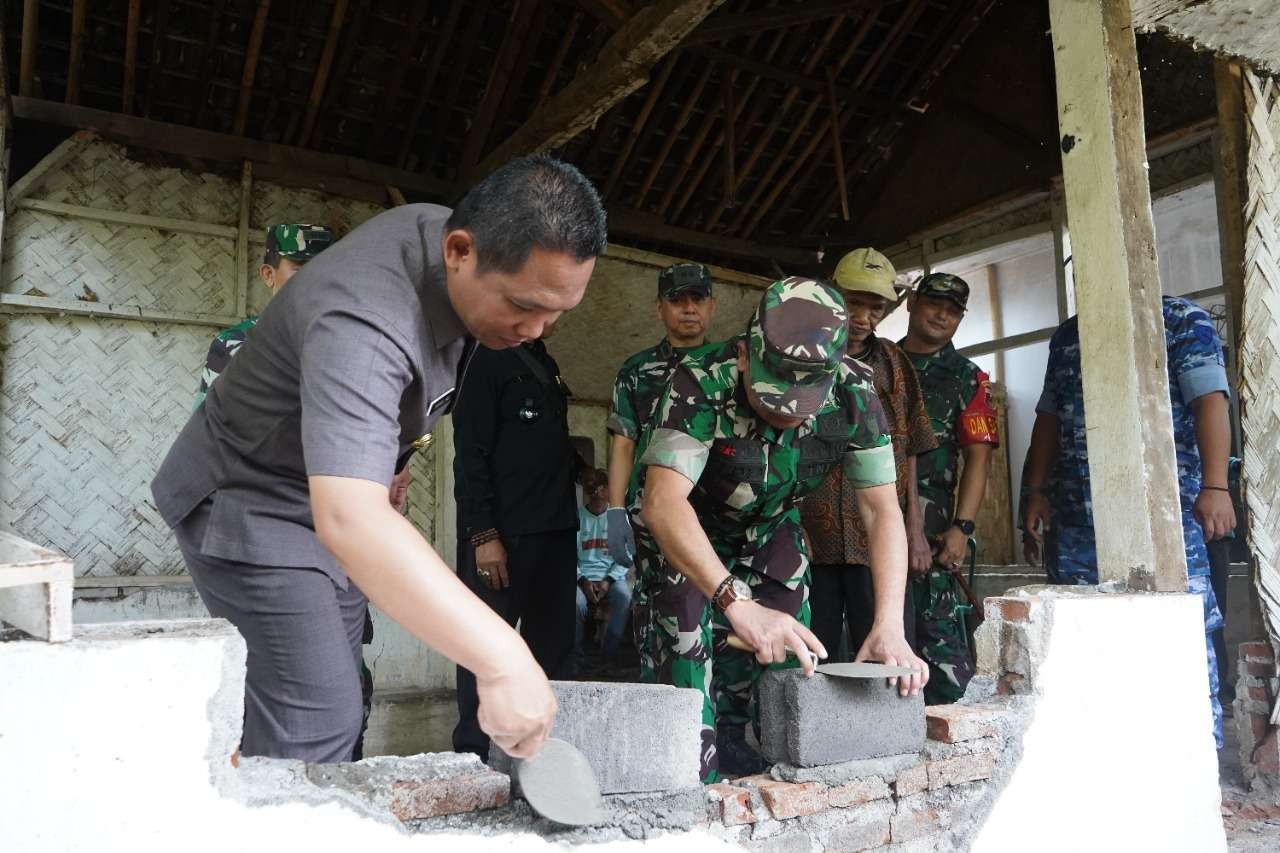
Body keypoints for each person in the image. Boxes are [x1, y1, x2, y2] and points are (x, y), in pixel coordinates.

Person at [151, 155, 607, 763]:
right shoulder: (364, 315)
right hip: (251, 499)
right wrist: (502, 658)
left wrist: (384, 459)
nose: (537, 329)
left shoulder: (446, 237)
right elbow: (349, 518)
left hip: (320, 494)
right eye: (523, 305)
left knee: (342, 698)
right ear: (461, 251)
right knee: (313, 717)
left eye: (558, 312)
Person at [633, 276, 928, 783]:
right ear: (746, 354)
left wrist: (889, 625)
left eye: (801, 402)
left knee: (794, 660)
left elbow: (882, 511)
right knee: (685, 653)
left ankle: (778, 791)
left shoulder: (857, 392)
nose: (784, 414)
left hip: (771, 528)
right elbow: (663, 503)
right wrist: (734, 601)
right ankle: (689, 791)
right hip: (688, 531)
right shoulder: (700, 381)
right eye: (771, 398)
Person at [1021, 294, 1235, 748]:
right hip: (1079, 520)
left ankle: (1198, 758)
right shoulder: (1068, 335)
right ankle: (1107, 756)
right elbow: (1047, 418)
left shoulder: (1179, 320)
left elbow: (1210, 401)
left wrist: (1216, 487)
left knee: (1182, 639)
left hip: (1165, 516)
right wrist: (1034, 492)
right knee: (1085, 644)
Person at [451, 323, 582, 761]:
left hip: (556, 530)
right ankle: (472, 755)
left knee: (556, 648)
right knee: (484, 646)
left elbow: (544, 446)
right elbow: (470, 453)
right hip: (504, 537)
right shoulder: (483, 358)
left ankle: (547, 755)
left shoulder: (543, 361)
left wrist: (588, 477)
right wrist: (483, 535)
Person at [801, 248, 936, 663]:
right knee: (808, 659)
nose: (863, 318)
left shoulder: (895, 366)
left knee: (886, 657)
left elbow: (910, 447)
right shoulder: (798, 358)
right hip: (810, 540)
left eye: (875, 307)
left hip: (876, 541)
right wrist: (787, 527)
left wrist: (914, 530)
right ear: (832, 293)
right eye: (853, 303)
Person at [900, 273, 999, 704]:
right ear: (912, 304)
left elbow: (979, 457)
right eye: (934, 303)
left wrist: (963, 527)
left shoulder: (966, 378)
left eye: (954, 310)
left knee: (941, 651)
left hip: (935, 537)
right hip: (867, 524)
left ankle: (949, 738)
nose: (943, 315)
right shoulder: (879, 364)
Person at [605, 262, 719, 568]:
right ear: (659, 309)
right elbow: (624, 443)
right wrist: (615, 511)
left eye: (698, 299)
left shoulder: (730, 365)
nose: (689, 309)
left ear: (712, 306)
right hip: (652, 515)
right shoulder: (636, 370)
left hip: (718, 517)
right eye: (677, 300)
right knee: (664, 609)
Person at [194, 223, 334, 408]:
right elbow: (207, 426)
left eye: (325, 267)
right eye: (300, 268)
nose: (316, 277)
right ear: (269, 274)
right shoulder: (234, 344)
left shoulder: (349, 342)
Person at [575, 468, 631, 660]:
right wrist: (582, 580)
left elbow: (626, 556)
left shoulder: (618, 518)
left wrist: (608, 579)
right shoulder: (577, 518)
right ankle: (577, 660)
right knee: (576, 604)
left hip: (612, 578)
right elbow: (568, 557)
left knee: (624, 597)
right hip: (582, 577)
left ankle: (609, 657)